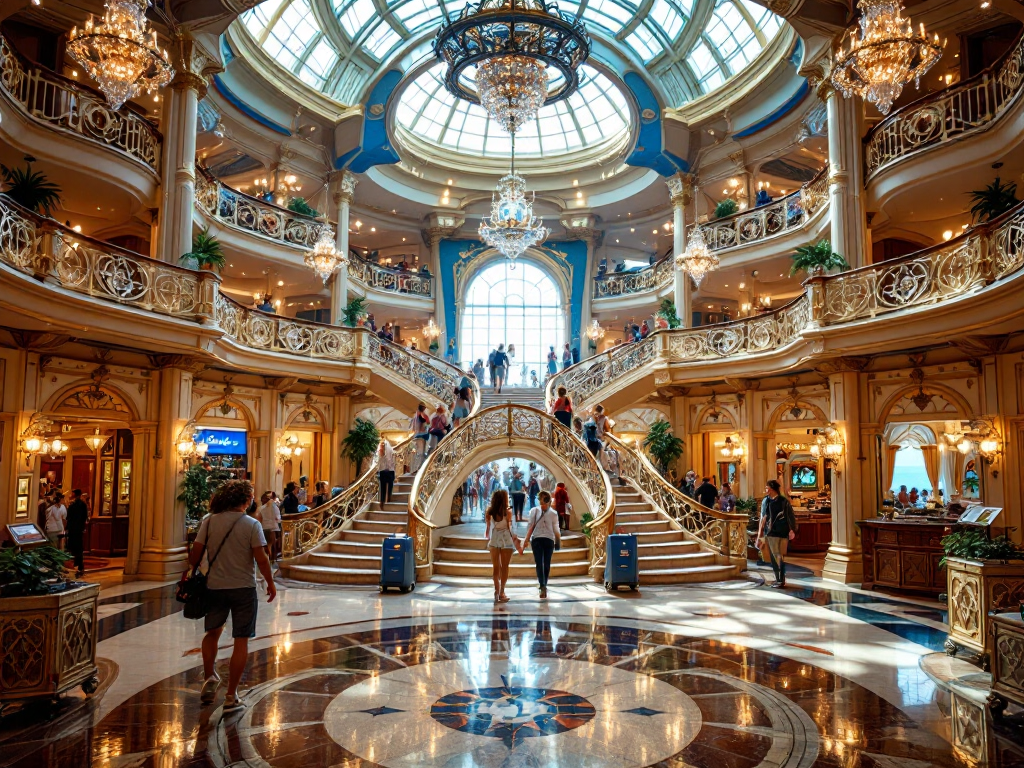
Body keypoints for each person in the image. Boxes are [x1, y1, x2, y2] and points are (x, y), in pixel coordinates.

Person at [190, 479, 276, 712]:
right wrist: (270, 582)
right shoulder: (251, 524)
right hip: (243, 589)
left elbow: (195, 554)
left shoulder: (209, 521)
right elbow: (261, 559)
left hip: (215, 587)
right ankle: (231, 696)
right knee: (241, 639)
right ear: (246, 500)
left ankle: (210, 677)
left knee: (212, 633)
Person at [755, 480, 798, 588]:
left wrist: (792, 530)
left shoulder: (780, 501)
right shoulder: (770, 501)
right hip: (775, 533)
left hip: (779, 532)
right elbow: (763, 518)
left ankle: (779, 580)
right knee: (778, 555)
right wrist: (759, 535)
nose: (766, 490)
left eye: (767, 488)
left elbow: (790, 516)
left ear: (771, 489)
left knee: (777, 556)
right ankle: (780, 579)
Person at [519, 490, 561, 599]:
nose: (542, 501)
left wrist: (558, 541)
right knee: (539, 563)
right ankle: (542, 585)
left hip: (549, 539)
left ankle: (544, 583)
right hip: (537, 539)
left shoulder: (553, 513)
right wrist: (526, 540)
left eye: (545, 499)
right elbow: (530, 526)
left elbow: (556, 528)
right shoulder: (534, 511)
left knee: (546, 563)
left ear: (548, 500)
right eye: (541, 498)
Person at [485, 490, 519, 603]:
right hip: (506, 539)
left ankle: (496, 590)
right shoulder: (508, 512)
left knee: (496, 567)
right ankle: (502, 592)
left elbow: (488, 528)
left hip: (495, 539)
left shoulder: (489, 512)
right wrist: (515, 538)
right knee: (505, 567)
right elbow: (510, 528)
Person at [66, 489, 89, 577]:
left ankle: (77, 563)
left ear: (75, 495)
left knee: (74, 547)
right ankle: (80, 565)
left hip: (73, 529)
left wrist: (68, 528)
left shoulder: (72, 505)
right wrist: (83, 527)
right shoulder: (83, 505)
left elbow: (68, 517)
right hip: (79, 529)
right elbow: (85, 517)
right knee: (79, 546)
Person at [255, 491, 280, 561]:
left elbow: (259, 519)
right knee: (272, 547)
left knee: (265, 547)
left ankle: (267, 560)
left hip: (264, 528)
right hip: (273, 529)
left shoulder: (260, 508)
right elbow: (278, 519)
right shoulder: (275, 507)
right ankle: (272, 561)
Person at [377, 440, 396, 505]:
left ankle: (387, 498)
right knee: (383, 487)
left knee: (389, 485)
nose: (381, 448)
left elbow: (392, 462)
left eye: (382, 446)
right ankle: (383, 500)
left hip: (389, 471)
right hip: (384, 471)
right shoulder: (381, 453)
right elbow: (378, 462)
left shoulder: (389, 452)